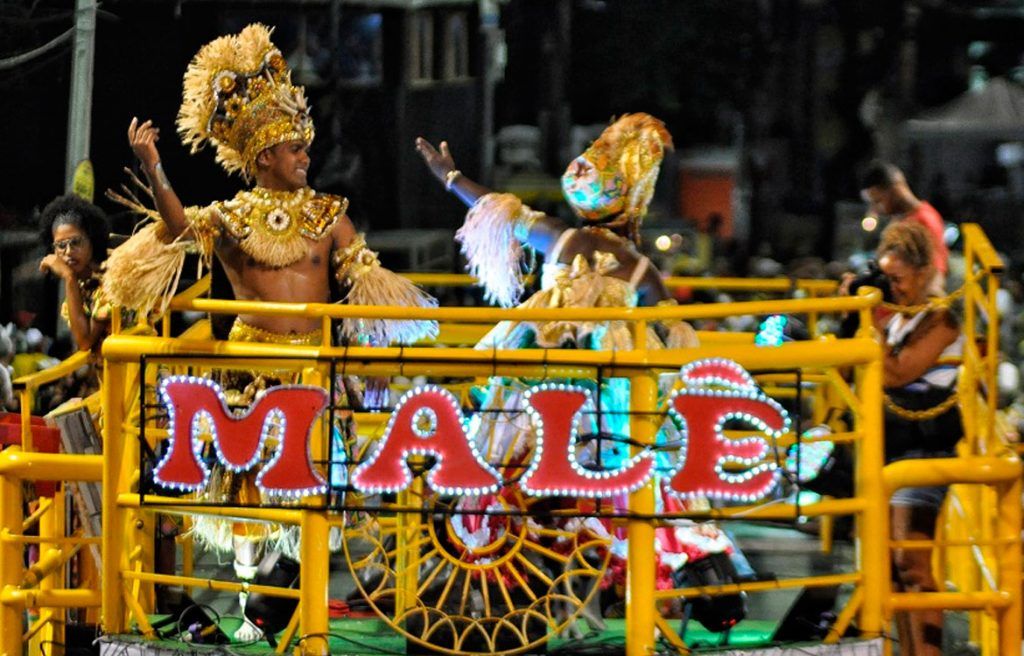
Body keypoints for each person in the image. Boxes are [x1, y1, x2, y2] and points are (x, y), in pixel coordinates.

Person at [102, 23, 437, 640]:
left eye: (305, 148)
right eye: (294, 149)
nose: (306, 157)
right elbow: (177, 232)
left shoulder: (330, 215)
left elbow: (365, 280)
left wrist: (378, 342)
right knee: (247, 486)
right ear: (263, 158)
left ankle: (287, 603)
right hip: (250, 369)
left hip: (315, 366)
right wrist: (154, 166)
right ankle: (247, 600)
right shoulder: (231, 217)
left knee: (319, 488)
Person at [416, 114, 724, 615]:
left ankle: (505, 580)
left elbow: (495, 209)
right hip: (608, 408)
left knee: (500, 470)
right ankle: (640, 580)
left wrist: (449, 176)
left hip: (537, 393)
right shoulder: (642, 270)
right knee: (639, 472)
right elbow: (676, 338)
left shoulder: (562, 239)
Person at [873, 220, 963, 656]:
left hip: (925, 449)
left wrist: (869, 321)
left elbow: (897, 372)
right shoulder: (896, 321)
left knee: (913, 563)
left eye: (898, 279)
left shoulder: (941, 320)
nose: (891, 289)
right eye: (885, 279)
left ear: (924, 272)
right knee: (892, 569)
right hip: (893, 448)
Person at [859, 160, 949, 292]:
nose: (877, 209)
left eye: (878, 201)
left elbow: (936, 272)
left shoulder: (924, 220)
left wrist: (929, 301)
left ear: (896, 189)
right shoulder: (900, 220)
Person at [37, 194, 111, 353]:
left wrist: (69, 276)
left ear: (92, 241)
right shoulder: (80, 288)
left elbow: (85, 342)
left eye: (76, 242)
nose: (68, 251)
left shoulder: (111, 282)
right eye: (61, 245)